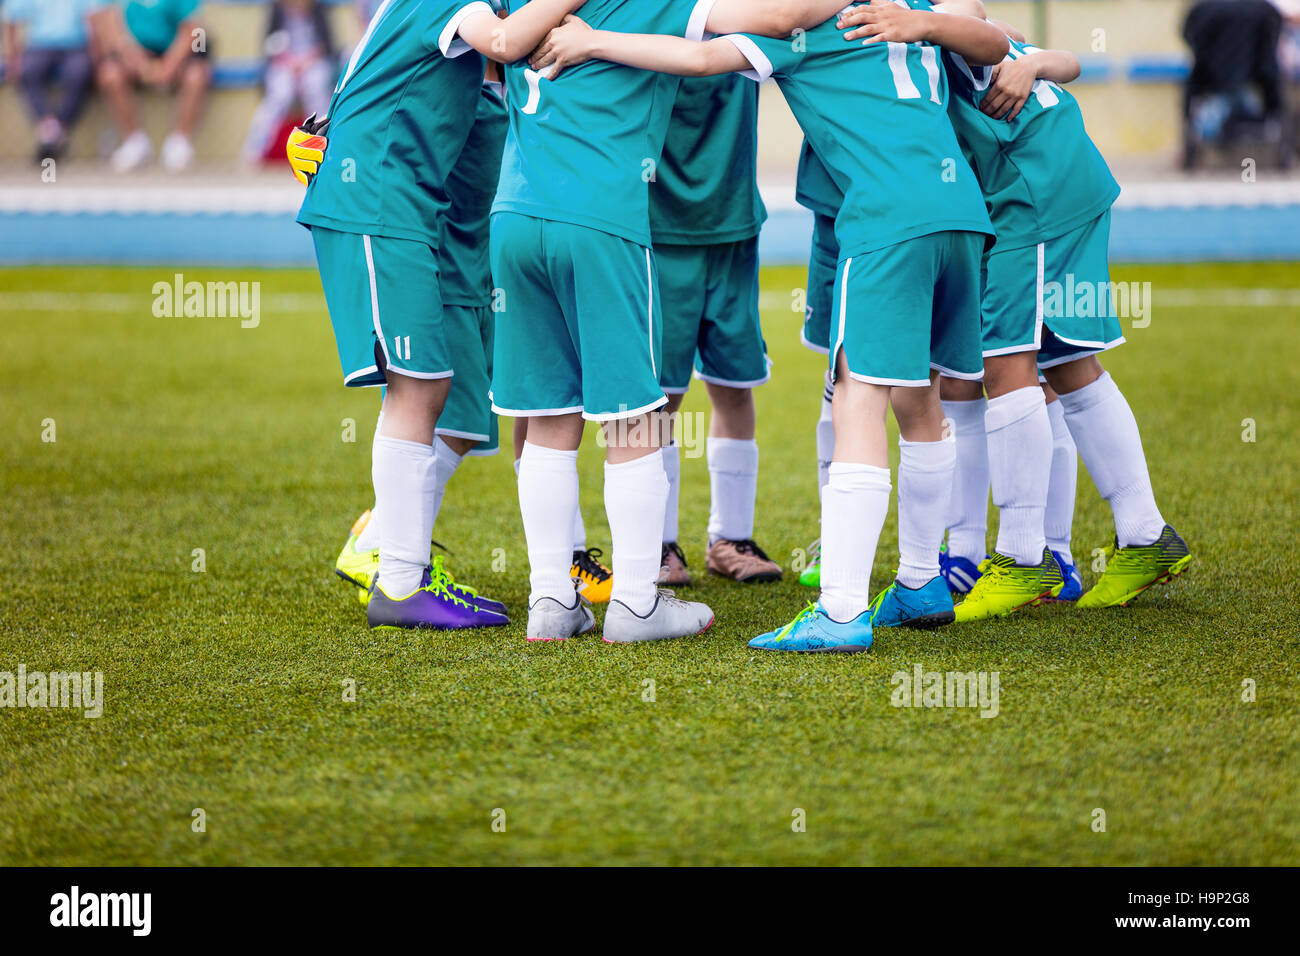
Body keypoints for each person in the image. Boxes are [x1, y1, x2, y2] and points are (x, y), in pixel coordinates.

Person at [529, 0, 1008, 650]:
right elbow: (993, 43)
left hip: (889, 219)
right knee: (920, 397)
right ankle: (922, 580)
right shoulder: (910, 10)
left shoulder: (805, 24)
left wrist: (593, 41)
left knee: (858, 398)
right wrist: (926, 23)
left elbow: (700, 57)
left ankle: (840, 611)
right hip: (961, 215)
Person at [492, 0, 846, 643]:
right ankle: (634, 603)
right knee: (634, 416)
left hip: (514, 209)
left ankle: (550, 599)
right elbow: (768, 21)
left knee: (547, 414)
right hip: (599, 214)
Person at [292, 0, 595, 631]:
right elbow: (507, 41)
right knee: (420, 386)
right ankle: (399, 579)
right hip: (379, 203)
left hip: (399, 208)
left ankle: (401, 567)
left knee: (436, 388)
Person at [908, 14, 1193, 618]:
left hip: (1033, 195)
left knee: (1004, 362)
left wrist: (926, 23)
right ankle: (1145, 535)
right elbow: (1067, 60)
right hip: (1067, 182)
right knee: (1067, 363)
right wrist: (1032, 61)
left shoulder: (929, 14)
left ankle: (1019, 557)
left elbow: (981, 28)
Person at [650, 74, 784, 588]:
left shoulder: (747, 19)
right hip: (660, 228)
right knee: (657, 399)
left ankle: (730, 538)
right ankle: (657, 543)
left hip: (733, 226)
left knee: (735, 384)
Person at [92, 0, 212, 172]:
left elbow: (193, 30)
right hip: (135, 52)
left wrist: (169, 65)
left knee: (197, 75)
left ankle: (179, 143)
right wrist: (137, 61)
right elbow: (110, 27)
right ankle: (134, 141)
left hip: (174, 51)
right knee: (110, 74)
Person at [3, 0, 103, 162]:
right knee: (27, 69)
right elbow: (13, 17)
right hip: (39, 46)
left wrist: (97, 56)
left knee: (80, 71)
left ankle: (52, 132)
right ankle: (52, 130)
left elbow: (92, 20)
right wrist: (13, 58)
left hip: (75, 46)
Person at [240, 0, 335, 166]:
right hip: (284, 63)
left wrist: (305, 61)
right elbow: (269, 46)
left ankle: (325, 146)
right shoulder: (276, 10)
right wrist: (289, 61)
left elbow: (327, 46)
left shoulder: (318, 9)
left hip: (313, 62)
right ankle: (254, 150)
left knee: (316, 89)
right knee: (280, 93)